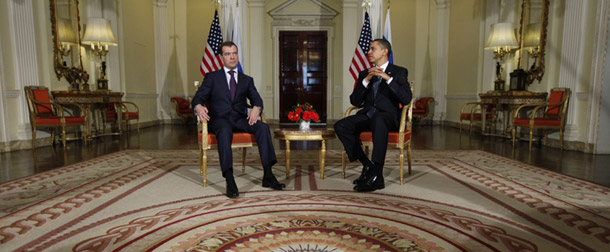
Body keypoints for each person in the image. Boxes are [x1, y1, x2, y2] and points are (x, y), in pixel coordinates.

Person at [192, 41, 285, 198]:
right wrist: (198, 107)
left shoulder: (246, 79)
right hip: (220, 120)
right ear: (222, 57)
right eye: (228, 54)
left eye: (234, 53)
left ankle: (268, 174)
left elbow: (256, 98)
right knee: (224, 130)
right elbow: (198, 97)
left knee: (262, 127)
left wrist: (256, 108)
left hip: (239, 119)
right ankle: (229, 179)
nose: (232, 57)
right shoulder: (212, 77)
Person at [334, 39, 412, 192]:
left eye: (372, 49)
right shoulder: (364, 73)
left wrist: (387, 78)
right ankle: (369, 166)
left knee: (379, 119)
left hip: (388, 117)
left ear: (384, 51)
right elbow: (355, 100)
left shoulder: (399, 72)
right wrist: (365, 81)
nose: (368, 52)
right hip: (368, 115)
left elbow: (406, 98)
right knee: (341, 126)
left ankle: (377, 174)